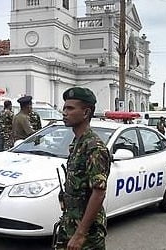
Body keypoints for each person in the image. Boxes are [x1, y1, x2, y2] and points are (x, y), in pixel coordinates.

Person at [55, 87, 111, 250]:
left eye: (70, 108)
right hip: (70, 225)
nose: (65, 112)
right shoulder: (77, 143)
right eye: (64, 108)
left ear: (86, 113)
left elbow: (99, 192)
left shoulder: (94, 147)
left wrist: (80, 234)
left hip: (88, 234)